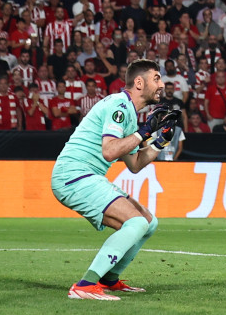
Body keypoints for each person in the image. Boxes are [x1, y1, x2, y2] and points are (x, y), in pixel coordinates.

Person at [50, 59, 179, 300]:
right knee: (136, 223)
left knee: (149, 222)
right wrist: (144, 131)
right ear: (139, 82)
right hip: (74, 175)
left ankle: (109, 279)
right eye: (157, 78)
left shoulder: (128, 113)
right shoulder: (119, 105)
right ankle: (85, 285)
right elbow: (110, 151)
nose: (162, 84)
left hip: (85, 176)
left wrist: (160, 141)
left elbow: (135, 165)